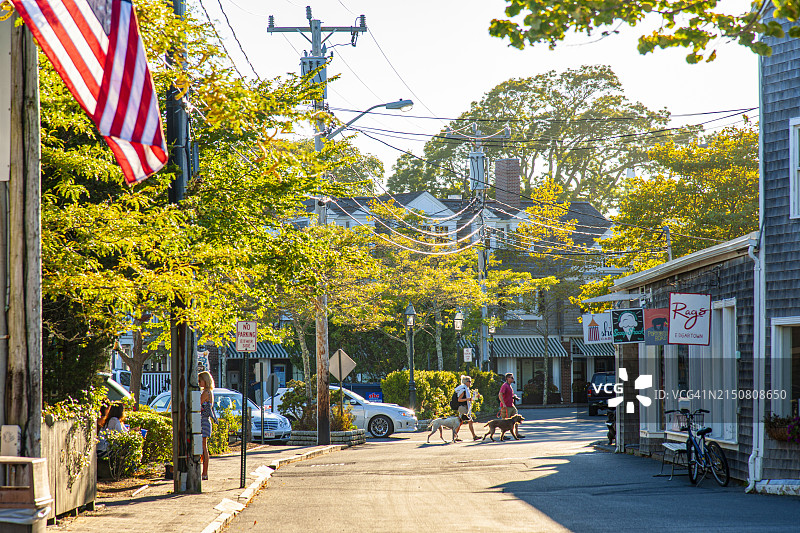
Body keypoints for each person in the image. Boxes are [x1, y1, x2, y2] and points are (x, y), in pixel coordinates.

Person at [198, 371, 217, 481]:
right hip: (206, 421)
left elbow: (197, 404)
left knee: (203, 447)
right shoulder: (210, 392)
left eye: (200, 380)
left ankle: (204, 472)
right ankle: (204, 472)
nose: (199, 383)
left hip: (203, 421)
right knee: (204, 446)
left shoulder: (205, 393)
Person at [454, 375, 481, 441]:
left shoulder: (466, 389)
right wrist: (468, 399)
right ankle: (455, 436)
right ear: (465, 382)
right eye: (469, 381)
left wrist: (473, 398)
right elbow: (459, 399)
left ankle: (473, 436)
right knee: (461, 422)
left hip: (465, 407)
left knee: (467, 421)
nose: (470, 383)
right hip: (462, 407)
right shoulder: (463, 389)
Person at [498, 373, 525, 438]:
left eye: (513, 378)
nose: (513, 379)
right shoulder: (504, 385)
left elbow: (510, 395)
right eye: (511, 378)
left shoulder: (509, 386)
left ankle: (517, 433)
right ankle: (503, 435)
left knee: (516, 418)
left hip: (511, 405)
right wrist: (503, 403)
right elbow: (500, 394)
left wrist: (514, 397)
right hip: (506, 406)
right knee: (504, 421)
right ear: (507, 378)